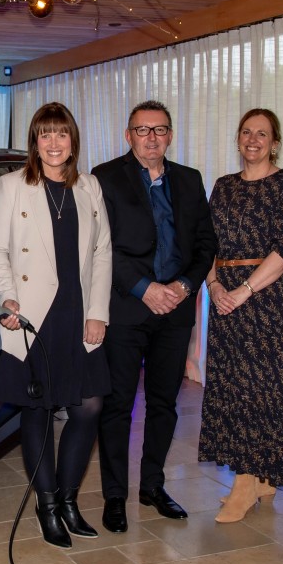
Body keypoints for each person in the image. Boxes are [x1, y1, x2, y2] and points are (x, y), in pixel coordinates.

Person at [0, 102, 113, 548]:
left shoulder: (90, 187)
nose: (54, 143)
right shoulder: (11, 186)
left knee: (88, 406)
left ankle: (70, 499)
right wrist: (7, 294)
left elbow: (102, 253)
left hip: (78, 311)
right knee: (37, 407)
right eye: (45, 135)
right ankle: (47, 504)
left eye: (61, 134)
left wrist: (98, 311)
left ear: (73, 140)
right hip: (32, 314)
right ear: (34, 142)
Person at [91, 101, 217, 532]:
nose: (151, 138)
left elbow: (205, 245)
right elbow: (101, 247)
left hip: (176, 310)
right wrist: (146, 289)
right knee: (118, 406)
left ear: (169, 135)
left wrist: (182, 287)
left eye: (159, 130)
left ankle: (152, 485)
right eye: (142, 130)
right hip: (127, 308)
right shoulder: (105, 177)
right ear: (128, 136)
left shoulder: (190, 180)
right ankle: (114, 496)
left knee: (165, 404)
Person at [198, 108, 283, 523]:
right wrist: (214, 287)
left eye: (262, 134)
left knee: (261, 388)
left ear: (275, 142)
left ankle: (247, 480)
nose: (253, 140)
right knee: (231, 386)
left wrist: (244, 290)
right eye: (247, 132)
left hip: (264, 299)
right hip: (223, 297)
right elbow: (206, 241)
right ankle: (258, 477)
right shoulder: (223, 186)